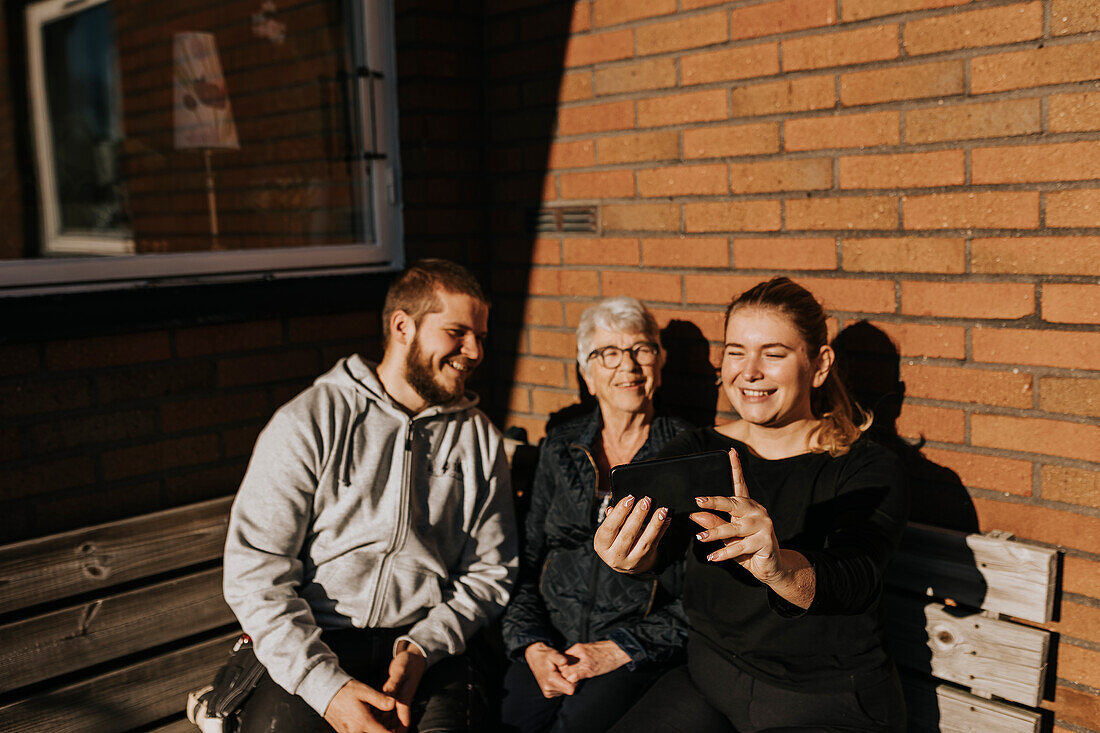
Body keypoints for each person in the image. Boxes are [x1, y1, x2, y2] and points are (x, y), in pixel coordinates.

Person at [594, 277, 909, 732]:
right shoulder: (699, 450)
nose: (750, 371)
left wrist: (777, 564)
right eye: (736, 351)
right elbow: (657, 540)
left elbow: (857, 575)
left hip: (824, 698)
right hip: (709, 679)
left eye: (774, 353)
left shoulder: (864, 467)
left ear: (819, 365)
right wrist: (627, 555)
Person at [222, 259, 518, 733]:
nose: (474, 351)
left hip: (427, 648)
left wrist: (424, 648)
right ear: (404, 325)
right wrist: (327, 688)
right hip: (316, 643)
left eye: (480, 336)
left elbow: (491, 571)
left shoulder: (478, 440)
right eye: (458, 332)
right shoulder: (311, 420)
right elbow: (255, 575)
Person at [500, 296, 691, 733]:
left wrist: (619, 648)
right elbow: (527, 560)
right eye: (608, 353)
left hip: (631, 648)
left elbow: (699, 596)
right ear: (587, 375)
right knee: (513, 719)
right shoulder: (560, 447)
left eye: (641, 350)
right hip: (551, 640)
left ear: (659, 365)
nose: (628, 365)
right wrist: (531, 644)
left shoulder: (684, 455)